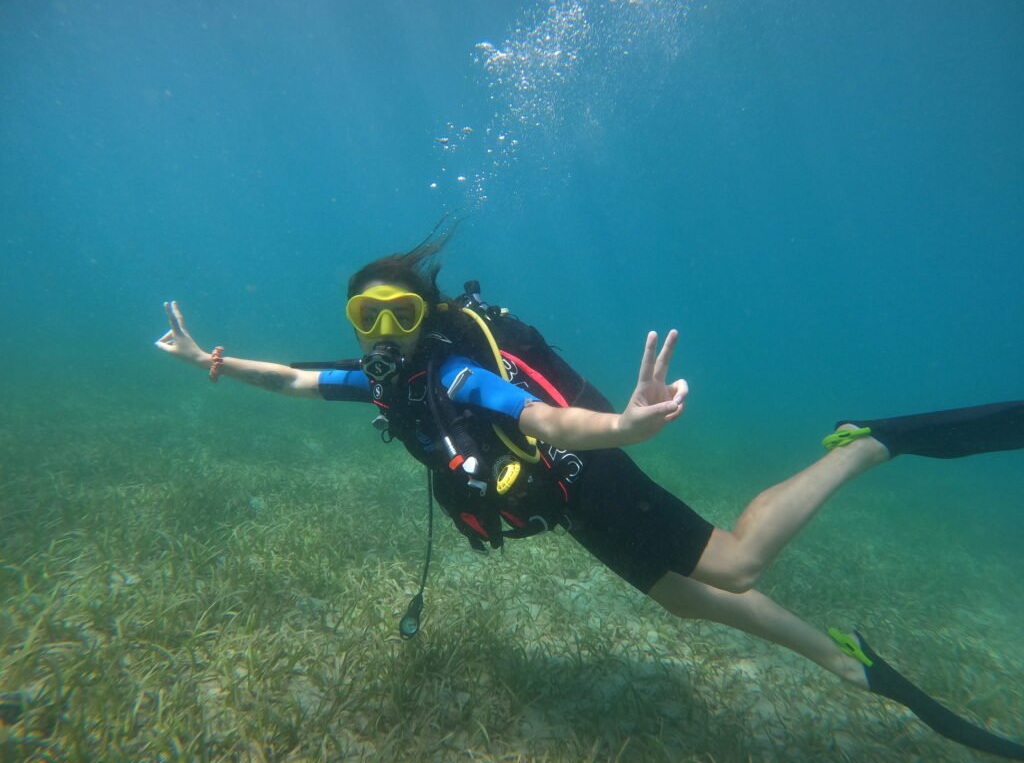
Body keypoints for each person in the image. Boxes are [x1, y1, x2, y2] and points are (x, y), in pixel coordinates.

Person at [156, 226, 1024, 759]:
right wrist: (215, 364)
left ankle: (868, 443)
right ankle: (835, 649)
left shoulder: (456, 374)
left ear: (425, 318)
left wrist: (625, 428)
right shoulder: (384, 385)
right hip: (561, 503)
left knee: (739, 563)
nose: (383, 335)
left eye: (399, 315)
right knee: (688, 604)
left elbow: (539, 418)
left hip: (586, 470)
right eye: (365, 319)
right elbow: (298, 382)